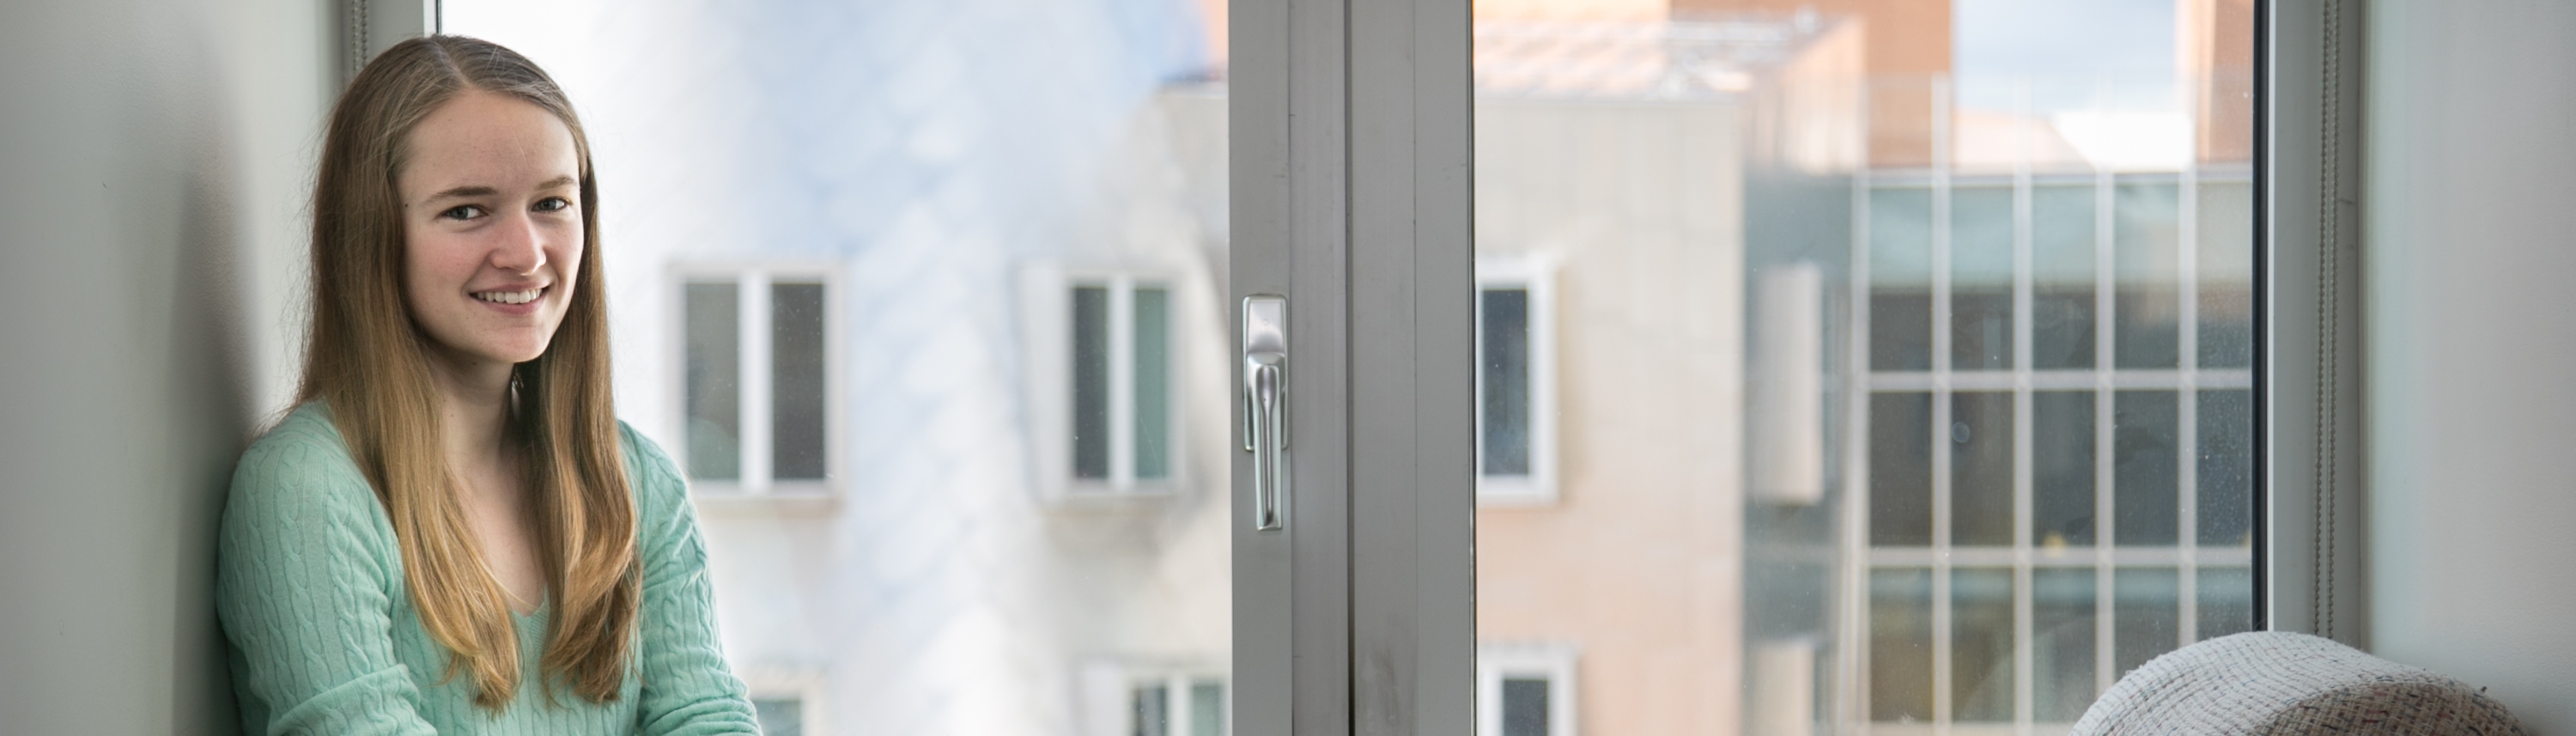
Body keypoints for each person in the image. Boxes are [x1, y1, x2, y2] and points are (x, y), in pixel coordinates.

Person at [216, 35, 762, 734]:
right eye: (467, 211)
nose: (526, 253)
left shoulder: (638, 479)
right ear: (375, 235)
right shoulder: (306, 489)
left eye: (552, 203)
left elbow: (707, 716)